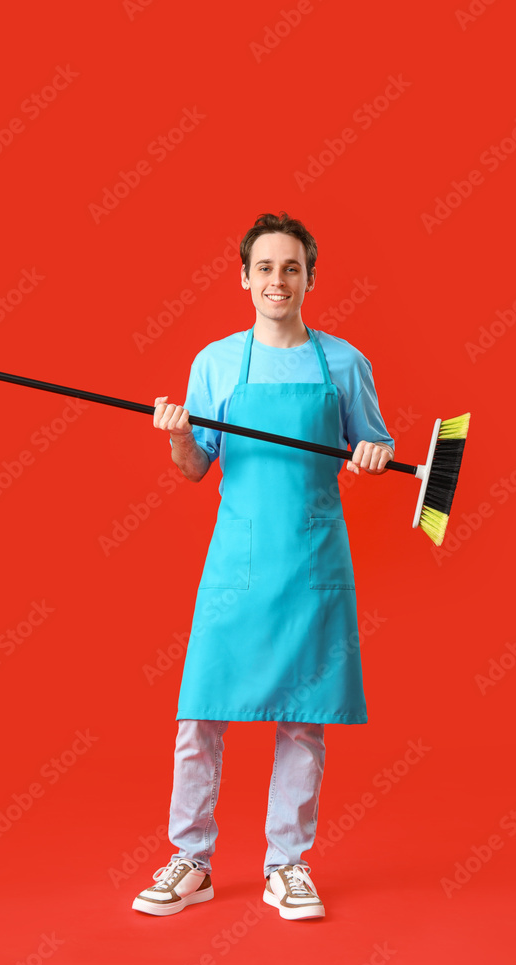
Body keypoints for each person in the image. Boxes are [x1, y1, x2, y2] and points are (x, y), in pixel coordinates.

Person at [132, 212, 394, 920]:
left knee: (303, 718)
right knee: (200, 715)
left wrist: (370, 454)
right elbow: (194, 469)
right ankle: (191, 860)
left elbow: (370, 448)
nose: (277, 280)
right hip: (236, 559)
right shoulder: (215, 361)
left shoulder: (343, 362)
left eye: (291, 268)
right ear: (243, 277)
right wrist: (177, 437)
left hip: (312, 557)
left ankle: (287, 864)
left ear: (308, 278)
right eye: (265, 268)